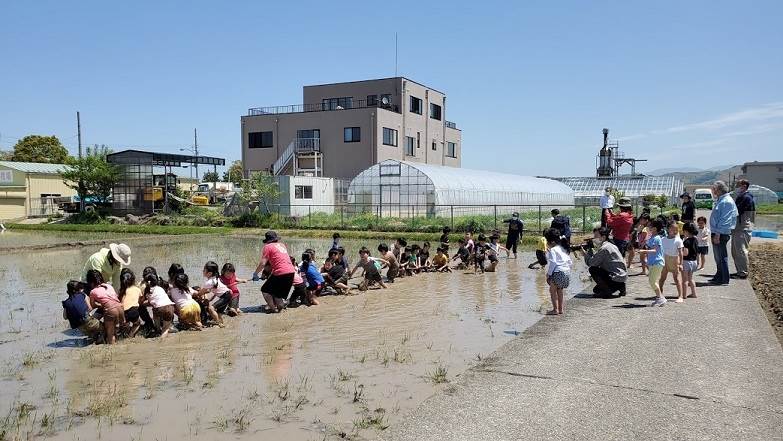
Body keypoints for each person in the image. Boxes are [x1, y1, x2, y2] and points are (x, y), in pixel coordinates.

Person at [253, 231, 296, 313]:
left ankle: (273, 309)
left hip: (280, 272)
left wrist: (255, 273)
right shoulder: (282, 245)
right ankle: (280, 307)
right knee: (277, 294)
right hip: (291, 272)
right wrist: (265, 275)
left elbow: (263, 263)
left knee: (265, 290)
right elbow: (278, 260)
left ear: (267, 240)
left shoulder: (268, 247)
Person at [708, 181, 738, 285]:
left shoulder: (726, 201)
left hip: (720, 233)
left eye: (714, 189)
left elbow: (725, 219)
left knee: (721, 256)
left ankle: (724, 278)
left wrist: (718, 234)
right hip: (717, 232)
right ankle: (719, 276)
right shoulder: (722, 200)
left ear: (720, 190)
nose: (713, 191)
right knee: (718, 256)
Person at [584, 227, 628, 297]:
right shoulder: (611, 245)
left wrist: (585, 253)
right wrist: (591, 249)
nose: (594, 238)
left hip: (615, 277)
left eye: (596, 236)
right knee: (596, 290)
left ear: (603, 237)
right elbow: (596, 259)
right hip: (621, 277)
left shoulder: (604, 248)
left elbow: (592, 263)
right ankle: (621, 286)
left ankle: (607, 292)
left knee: (593, 269)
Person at [85, 269, 125, 344]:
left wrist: (100, 305)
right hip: (120, 308)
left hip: (111, 310)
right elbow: (114, 298)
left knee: (110, 336)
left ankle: (112, 351)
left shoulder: (93, 292)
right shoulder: (108, 286)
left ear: (91, 283)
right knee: (116, 330)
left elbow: (93, 305)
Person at [638, 219, 666, 307]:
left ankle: (660, 298)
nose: (649, 227)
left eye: (651, 226)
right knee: (653, 281)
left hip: (657, 262)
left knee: (652, 281)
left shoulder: (657, 238)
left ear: (655, 228)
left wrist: (643, 251)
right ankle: (660, 298)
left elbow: (654, 250)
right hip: (653, 262)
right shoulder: (652, 237)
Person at [731, 179, 755, 279]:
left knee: (741, 250)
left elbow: (737, 210)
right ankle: (739, 271)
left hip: (742, 227)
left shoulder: (746, 197)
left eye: (739, 185)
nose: (737, 187)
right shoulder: (742, 196)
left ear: (744, 186)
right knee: (735, 250)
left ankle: (743, 272)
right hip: (738, 227)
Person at [544, 228, 571, 315]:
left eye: (547, 241)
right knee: (560, 290)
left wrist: (548, 274)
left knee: (552, 291)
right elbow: (570, 262)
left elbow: (553, 262)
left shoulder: (553, 250)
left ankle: (555, 310)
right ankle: (561, 309)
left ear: (552, 242)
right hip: (566, 272)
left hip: (558, 272)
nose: (547, 243)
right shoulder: (563, 248)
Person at [142, 273, 175, 337]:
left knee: (155, 310)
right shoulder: (160, 288)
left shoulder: (148, 291)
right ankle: (164, 333)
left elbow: (150, 302)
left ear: (146, 282)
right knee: (165, 329)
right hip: (170, 307)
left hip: (159, 309)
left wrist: (141, 303)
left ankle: (158, 331)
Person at [196, 261, 229, 326]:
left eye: (204, 270)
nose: (203, 271)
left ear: (210, 273)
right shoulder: (215, 278)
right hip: (227, 295)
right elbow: (212, 291)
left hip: (225, 296)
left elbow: (200, 293)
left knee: (211, 308)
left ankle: (219, 324)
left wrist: (196, 293)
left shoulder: (209, 282)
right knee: (219, 313)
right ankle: (221, 324)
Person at [659, 220, 684, 300]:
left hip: (674, 260)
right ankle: (660, 295)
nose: (675, 231)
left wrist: (681, 264)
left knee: (676, 278)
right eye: (672, 229)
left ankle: (680, 296)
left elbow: (681, 253)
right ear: (668, 229)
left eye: (676, 229)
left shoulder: (678, 240)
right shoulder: (663, 239)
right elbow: (660, 250)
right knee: (662, 278)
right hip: (665, 259)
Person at [118, 268, 142, 338]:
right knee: (137, 323)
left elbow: (120, 302)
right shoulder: (137, 289)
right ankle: (130, 335)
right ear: (133, 280)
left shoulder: (122, 291)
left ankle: (124, 333)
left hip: (123, 312)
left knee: (125, 323)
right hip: (133, 311)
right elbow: (140, 301)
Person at [680, 222, 699, 301]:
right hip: (694, 261)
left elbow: (685, 253)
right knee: (691, 278)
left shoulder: (686, 242)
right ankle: (694, 293)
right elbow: (697, 252)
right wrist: (698, 261)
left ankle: (683, 295)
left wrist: (680, 253)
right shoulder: (695, 240)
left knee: (685, 279)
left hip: (686, 262)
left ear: (686, 231)